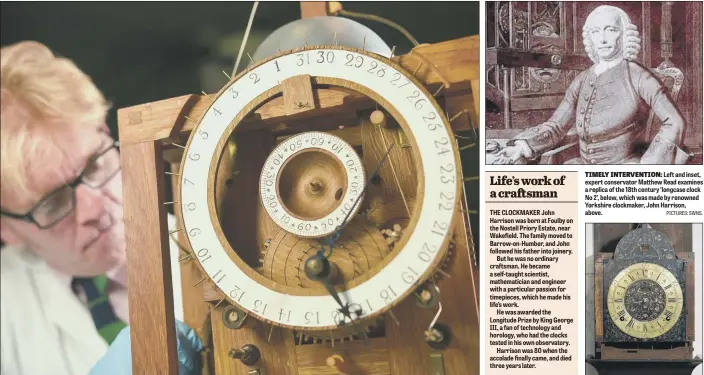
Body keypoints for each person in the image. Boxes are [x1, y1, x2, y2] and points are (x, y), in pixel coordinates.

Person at [0, 41, 201, 374]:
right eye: (53, 202)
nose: (94, 207)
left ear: (106, 132)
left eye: (94, 164)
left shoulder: (221, 243)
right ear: (6, 228)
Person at [493, 5, 688, 165]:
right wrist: (522, 146)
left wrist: (650, 165)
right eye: (595, 32)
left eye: (610, 30)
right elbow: (557, 125)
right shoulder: (583, 78)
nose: (602, 39)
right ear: (590, 38)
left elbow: (675, 122)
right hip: (582, 164)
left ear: (624, 34)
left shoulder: (638, 75)